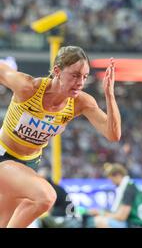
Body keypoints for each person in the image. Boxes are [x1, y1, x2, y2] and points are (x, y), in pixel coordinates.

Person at [0, 46, 121, 228]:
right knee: (46, 196)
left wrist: (109, 95)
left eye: (85, 77)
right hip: (3, 156)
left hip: (28, 165)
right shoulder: (28, 88)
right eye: (75, 75)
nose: (80, 82)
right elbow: (3, 71)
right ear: (57, 71)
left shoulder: (81, 102)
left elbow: (113, 134)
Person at [87, 163, 142, 228]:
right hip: (140, 223)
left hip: (137, 224)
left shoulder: (128, 189)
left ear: (118, 175)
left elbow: (122, 217)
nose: (111, 182)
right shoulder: (130, 185)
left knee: (99, 221)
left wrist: (101, 213)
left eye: (111, 178)